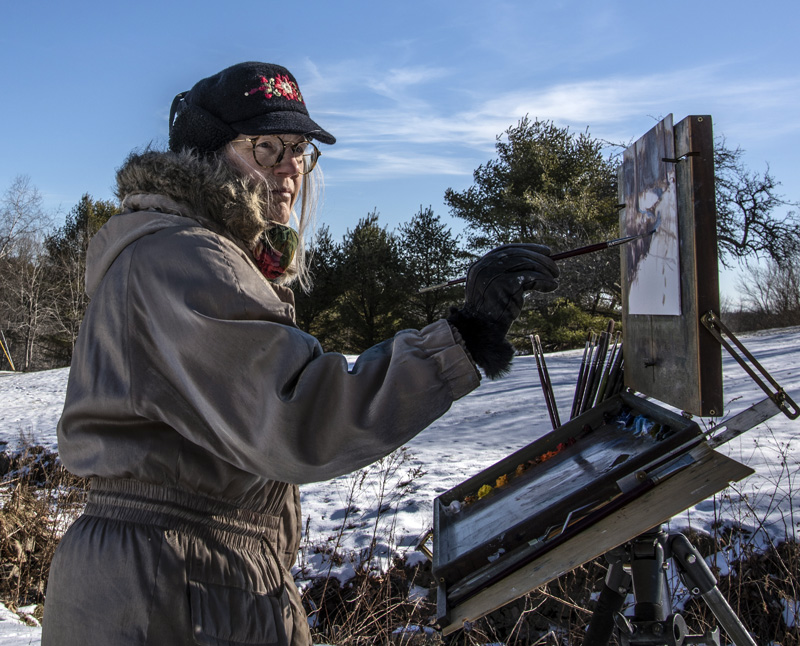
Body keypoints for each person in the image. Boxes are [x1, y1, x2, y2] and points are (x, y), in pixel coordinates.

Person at [42, 62, 559, 646]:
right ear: (208, 157)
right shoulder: (186, 258)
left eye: (301, 150)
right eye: (267, 149)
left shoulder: (183, 253)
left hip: (176, 577)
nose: (290, 169)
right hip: (172, 590)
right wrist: (462, 337)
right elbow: (295, 414)